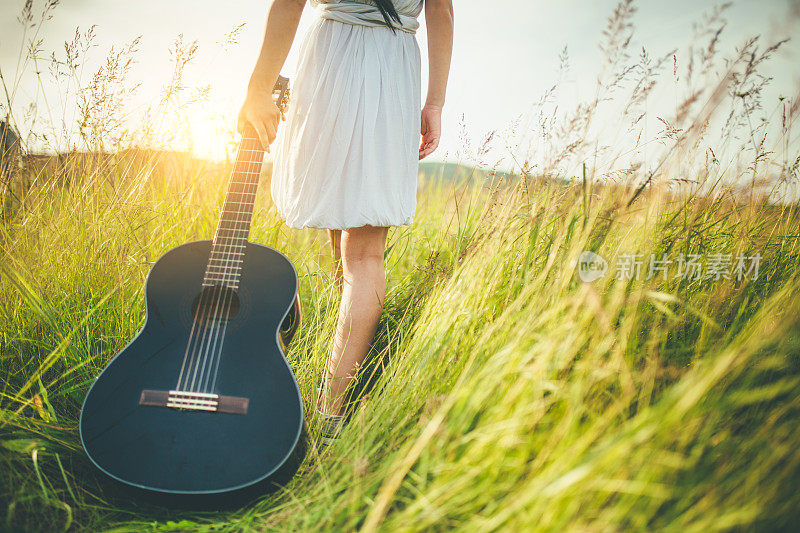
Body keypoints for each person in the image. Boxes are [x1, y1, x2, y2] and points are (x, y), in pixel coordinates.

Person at [238, 0, 454, 444]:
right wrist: (434, 102)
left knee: (350, 231)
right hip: (393, 62)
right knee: (361, 247)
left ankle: (331, 399)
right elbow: (442, 11)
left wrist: (259, 87)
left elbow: (288, 5)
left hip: (331, 55)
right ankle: (331, 411)